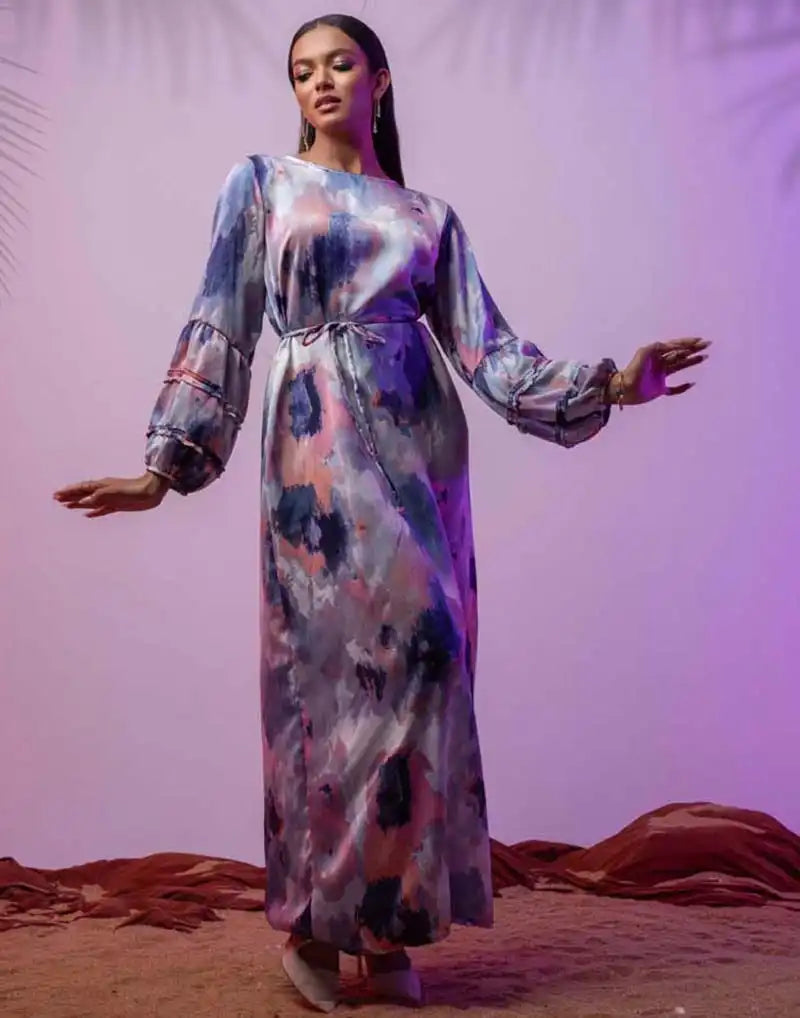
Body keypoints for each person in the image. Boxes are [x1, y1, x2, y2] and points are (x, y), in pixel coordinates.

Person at [54, 12, 710, 1012]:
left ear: (380, 79)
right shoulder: (262, 185)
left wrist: (617, 384)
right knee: (324, 684)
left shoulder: (428, 217)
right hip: (313, 457)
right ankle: (318, 929)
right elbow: (220, 321)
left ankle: (391, 921)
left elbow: (491, 354)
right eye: (301, 71)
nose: (319, 82)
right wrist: (165, 466)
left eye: (339, 64)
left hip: (417, 453)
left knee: (427, 656)